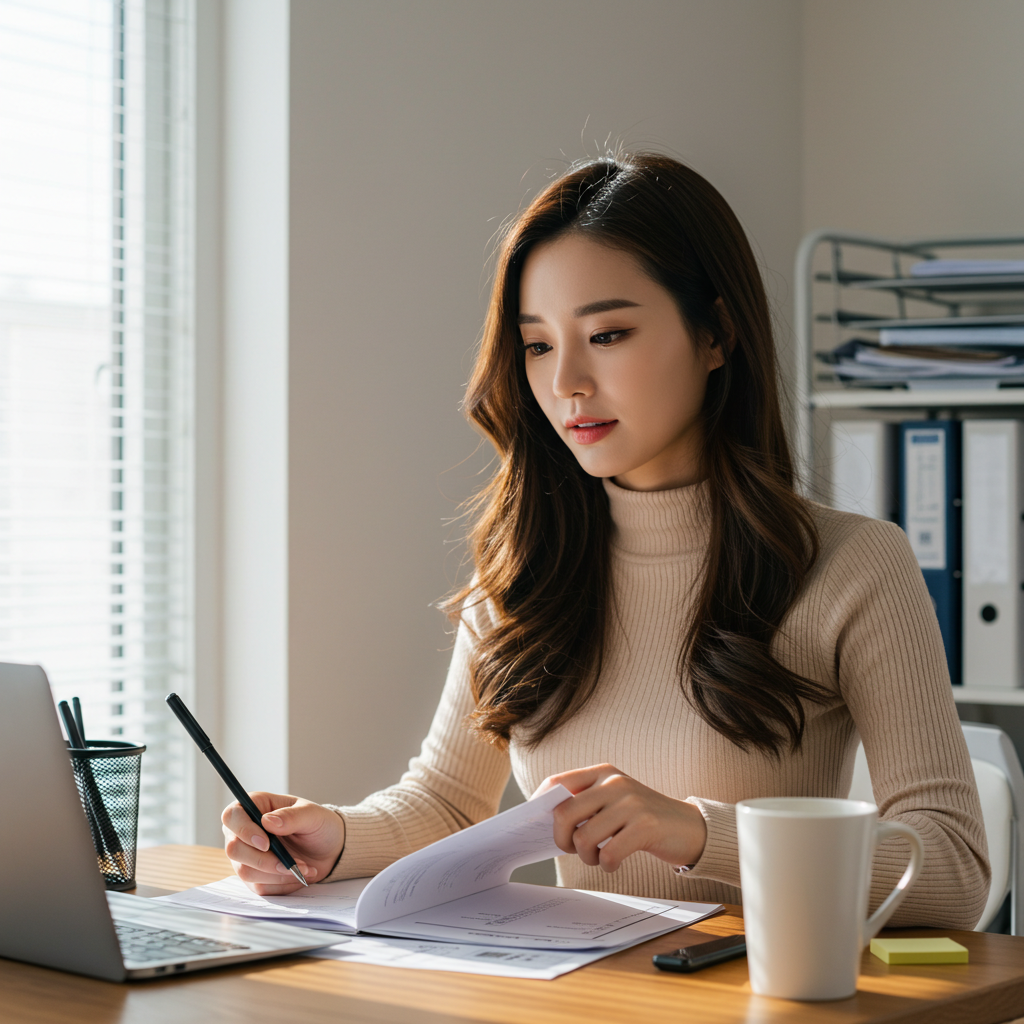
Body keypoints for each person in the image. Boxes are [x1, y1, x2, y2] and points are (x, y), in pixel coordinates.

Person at [222, 152, 989, 927]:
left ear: (717, 334)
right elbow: (450, 803)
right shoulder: (527, 567)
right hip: (584, 990)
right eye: (539, 345)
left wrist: (696, 831)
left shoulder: (853, 567)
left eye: (610, 333)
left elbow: (954, 869)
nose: (566, 384)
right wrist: (335, 836)